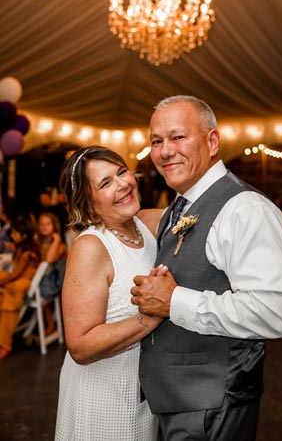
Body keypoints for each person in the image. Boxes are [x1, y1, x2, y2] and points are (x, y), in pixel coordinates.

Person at [131, 95, 282, 441]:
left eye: (178, 137)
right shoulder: (179, 206)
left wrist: (174, 301)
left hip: (213, 405)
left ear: (212, 142)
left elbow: (277, 313)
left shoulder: (246, 210)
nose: (164, 152)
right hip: (176, 400)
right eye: (156, 141)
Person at [54, 146, 164, 441]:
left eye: (121, 172)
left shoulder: (147, 224)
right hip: (103, 394)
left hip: (143, 390)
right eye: (105, 183)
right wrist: (149, 319)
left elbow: (200, 209)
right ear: (88, 205)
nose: (122, 184)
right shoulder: (91, 246)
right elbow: (80, 345)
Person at [0, 218, 40, 359]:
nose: (13, 236)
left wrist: (3, 280)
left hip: (23, 281)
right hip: (16, 278)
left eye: (16, 234)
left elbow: (17, 273)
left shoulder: (27, 253)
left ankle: (5, 344)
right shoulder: (21, 248)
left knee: (9, 301)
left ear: (24, 236)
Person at [36, 212, 67, 335]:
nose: (44, 227)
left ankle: (57, 325)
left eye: (48, 224)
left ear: (54, 226)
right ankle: (50, 324)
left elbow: (49, 259)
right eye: (41, 224)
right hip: (45, 277)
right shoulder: (38, 243)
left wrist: (56, 240)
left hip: (59, 279)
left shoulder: (60, 246)